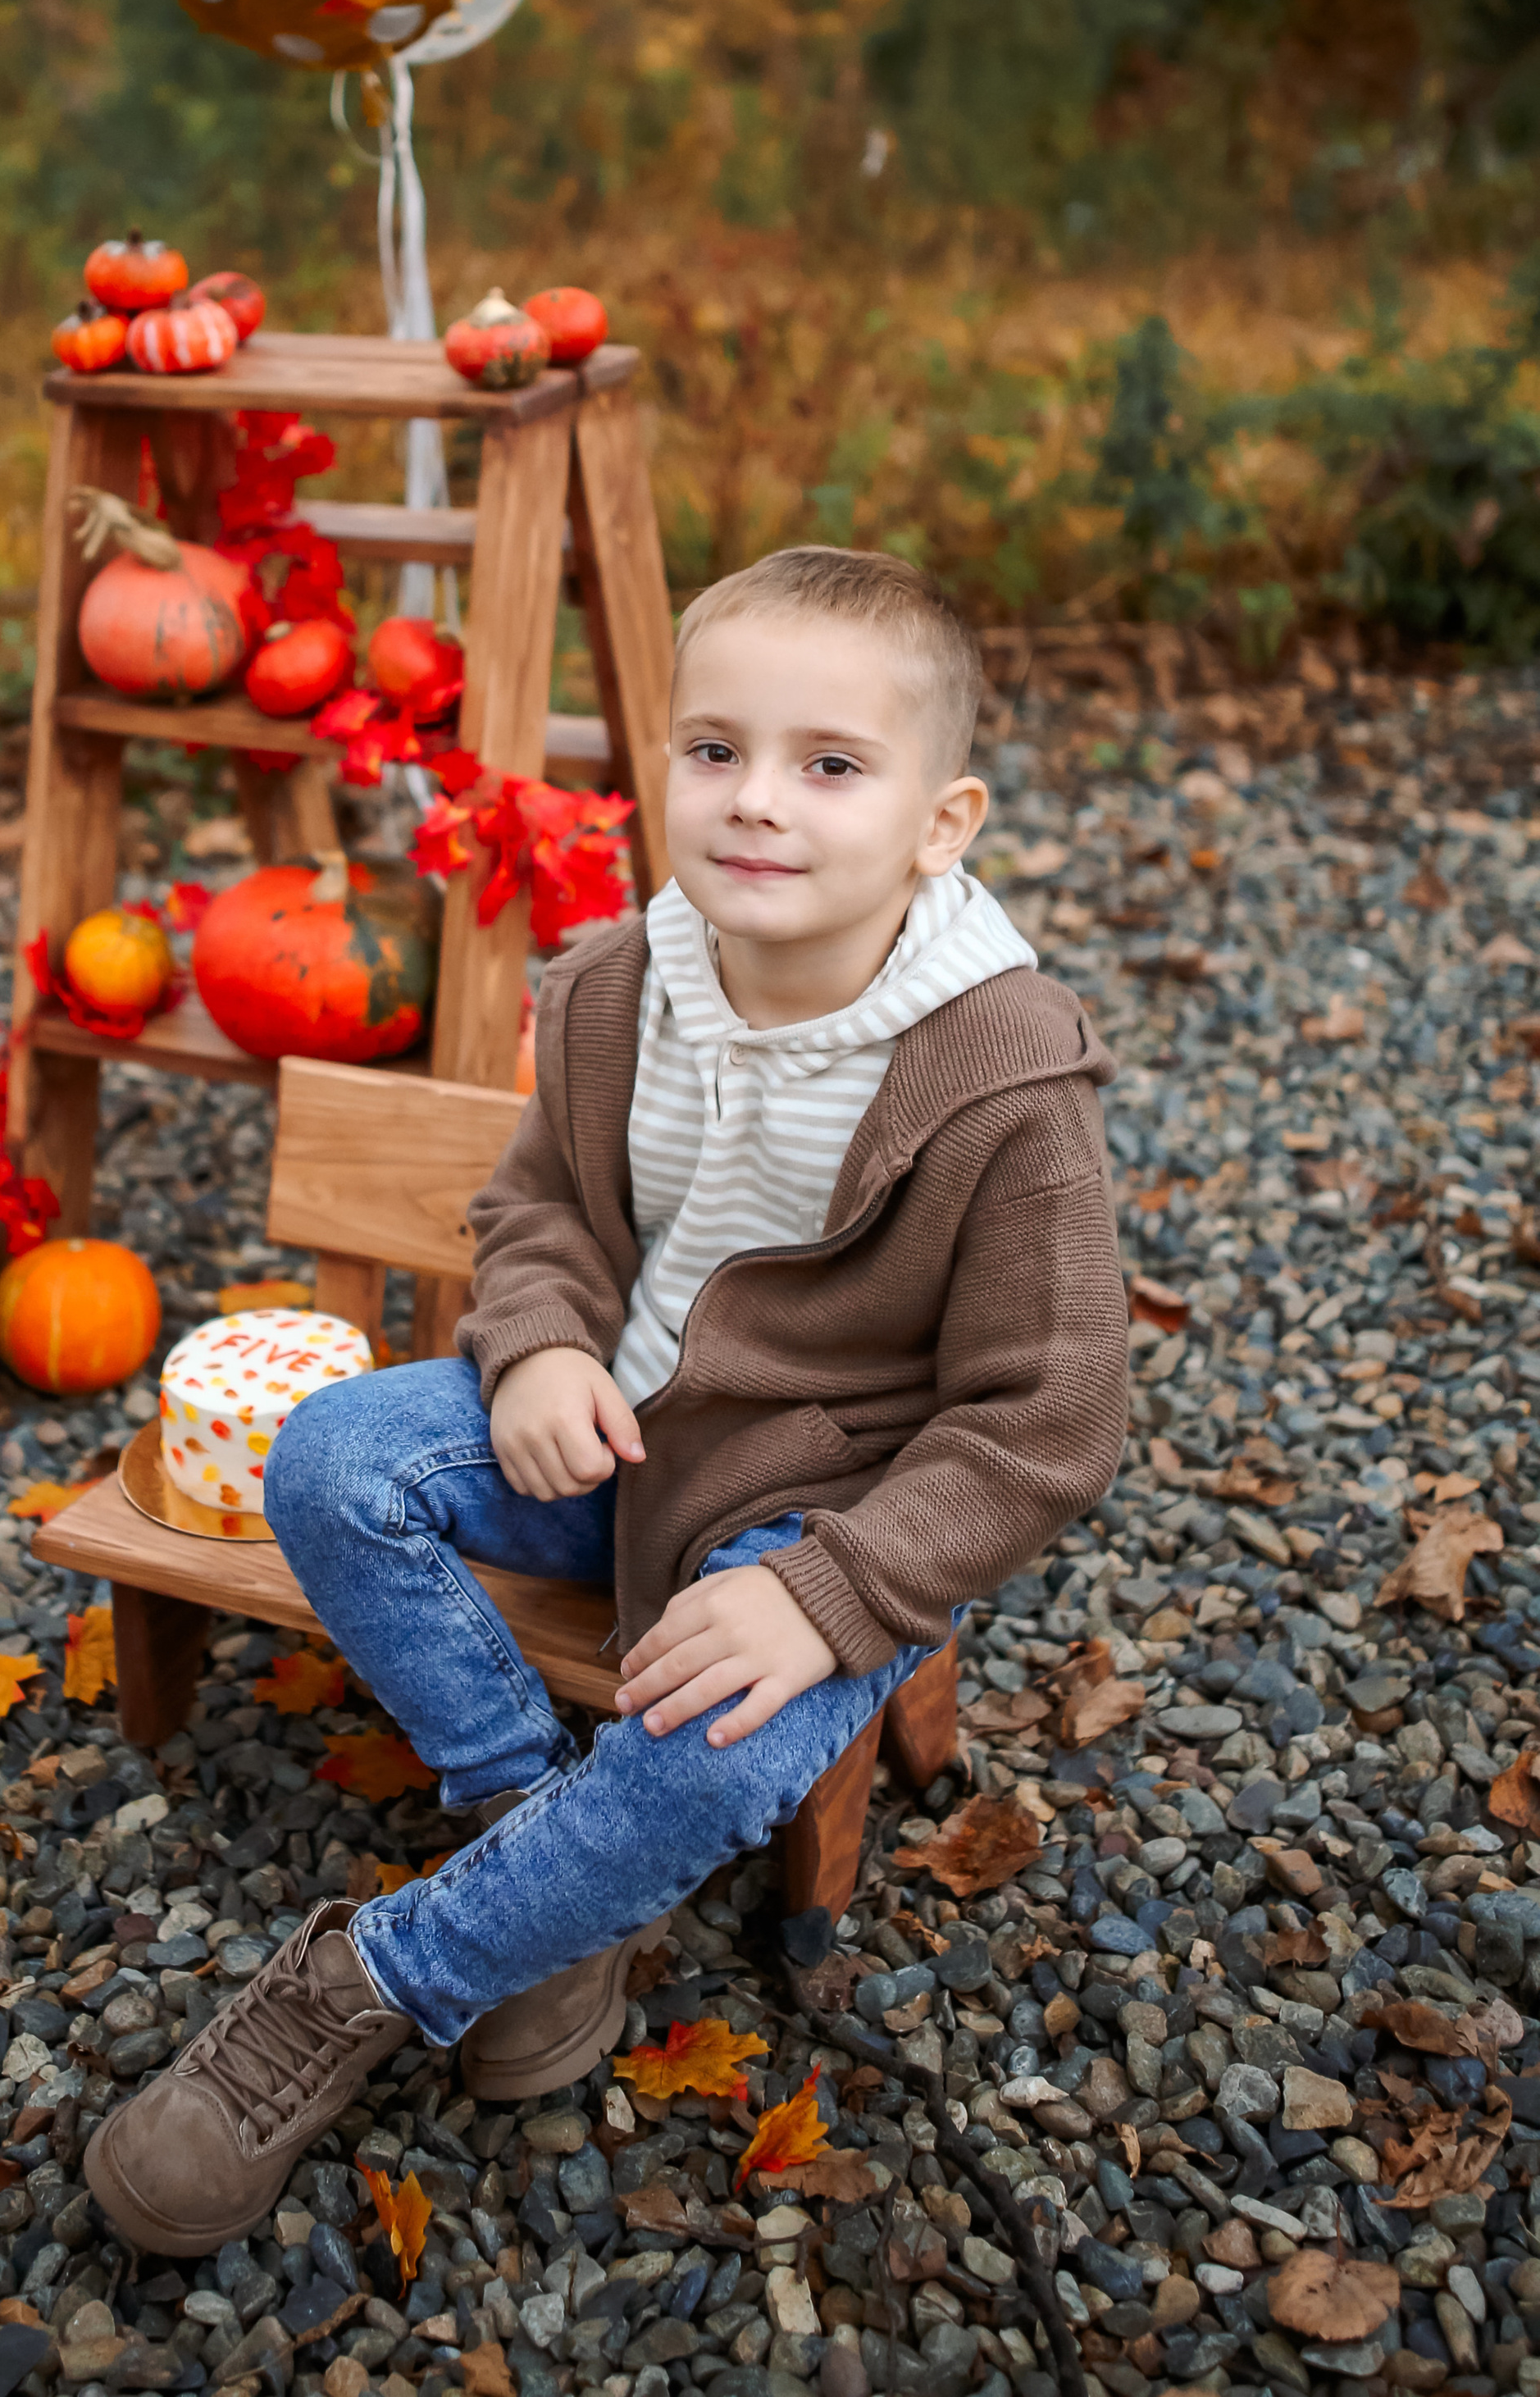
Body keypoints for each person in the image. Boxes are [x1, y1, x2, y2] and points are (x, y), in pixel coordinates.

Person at [85, 545, 1128, 2252]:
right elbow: (540, 1211)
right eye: (712, 749)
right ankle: (537, 1837)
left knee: (716, 1751)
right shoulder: (614, 987)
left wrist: (829, 1595)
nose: (755, 804)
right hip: (613, 1439)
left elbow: (1047, 1413)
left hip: (813, 1504)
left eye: (829, 766)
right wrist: (548, 1341)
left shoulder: (999, 1080)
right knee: (337, 1454)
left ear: (942, 825)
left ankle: (370, 1982)